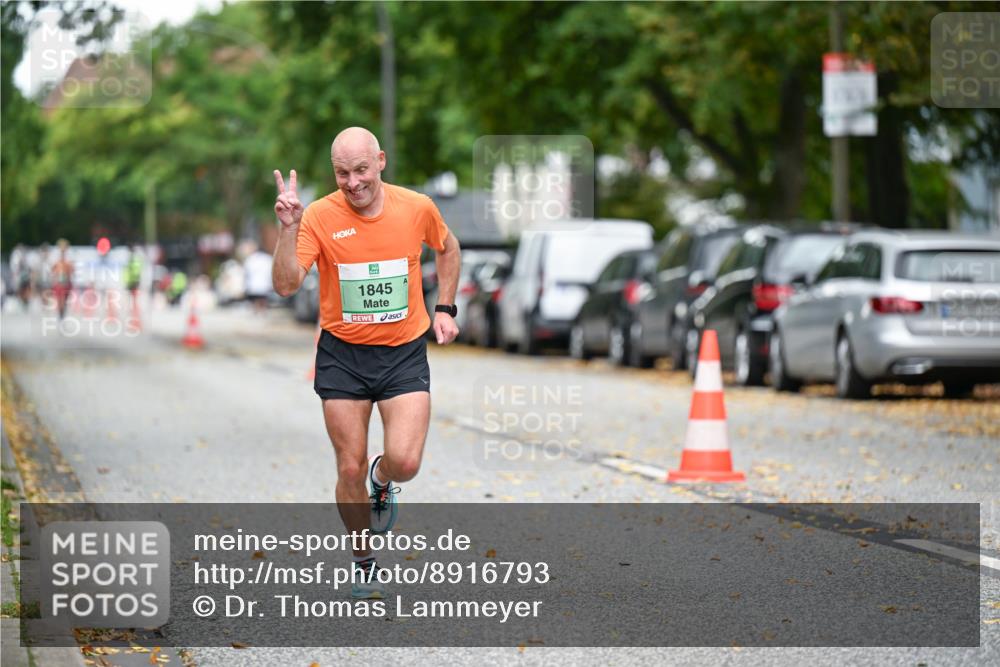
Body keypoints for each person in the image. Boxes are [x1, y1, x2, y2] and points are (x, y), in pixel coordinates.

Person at [271, 127, 460, 600]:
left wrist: (445, 307)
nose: (352, 183)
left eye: (360, 170)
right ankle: (364, 560)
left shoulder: (416, 207)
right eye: (341, 173)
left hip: (403, 351)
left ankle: (383, 479)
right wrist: (288, 229)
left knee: (406, 461)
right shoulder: (318, 215)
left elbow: (449, 248)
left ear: (380, 161)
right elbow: (287, 285)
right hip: (343, 355)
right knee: (348, 468)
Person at [243, 245, 274, 314]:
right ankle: (263, 311)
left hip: (253, 285)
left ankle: (256, 311)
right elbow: (271, 272)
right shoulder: (268, 258)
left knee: (256, 299)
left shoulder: (251, 258)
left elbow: (246, 271)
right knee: (263, 299)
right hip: (265, 284)